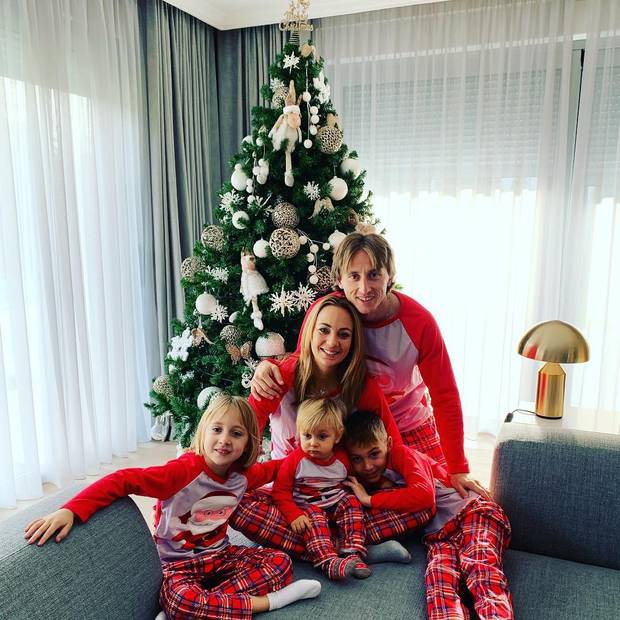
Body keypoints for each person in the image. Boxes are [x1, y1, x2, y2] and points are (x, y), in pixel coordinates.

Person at [23, 394, 321, 619]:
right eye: (217, 429)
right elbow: (122, 479)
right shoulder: (181, 472)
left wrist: (319, 453)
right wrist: (70, 510)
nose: (224, 440)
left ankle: (200, 608)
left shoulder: (243, 477)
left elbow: (280, 467)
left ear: (248, 443)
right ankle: (269, 603)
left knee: (280, 562)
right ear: (204, 431)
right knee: (179, 599)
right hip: (176, 565)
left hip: (221, 556)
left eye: (236, 433)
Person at [251, 231, 487, 499]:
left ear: (390, 277)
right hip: (352, 427)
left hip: (408, 425)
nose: (364, 288)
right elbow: (306, 359)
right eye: (354, 276)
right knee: (347, 496)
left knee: (448, 495)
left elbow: (445, 396)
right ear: (339, 279)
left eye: (374, 274)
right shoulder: (328, 311)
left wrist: (458, 467)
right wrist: (268, 365)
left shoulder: (420, 322)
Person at [229, 295, 434, 557]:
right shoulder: (279, 376)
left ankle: (318, 545)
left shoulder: (361, 385)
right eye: (324, 330)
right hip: (292, 493)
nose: (332, 342)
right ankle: (350, 545)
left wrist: (421, 481)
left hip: (342, 494)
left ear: (354, 342)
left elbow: (391, 445)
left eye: (344, 334)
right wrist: (218, 477)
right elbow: (244, 432)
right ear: (310, 332)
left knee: (424, 506)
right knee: (235, 502)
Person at [343, 411, 513, 620]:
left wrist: (369, 499)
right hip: (438, 536)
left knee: (481, 569)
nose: (367, 466)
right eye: (357, 459)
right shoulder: (363, 480)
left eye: (374, 454)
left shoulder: (403, 455)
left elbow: (424, 497)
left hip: (473, 512)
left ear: (388, 444)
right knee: (439, 584)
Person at [272, 398, 370, 581]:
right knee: (313, 518)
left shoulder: (343, 459)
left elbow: (355, 479)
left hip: (336, 503)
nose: (313, 443)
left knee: (351, 502)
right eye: (307, 436)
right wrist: (293, 514)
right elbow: (280, 492)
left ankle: (352, 553)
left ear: (337, 436)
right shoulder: (294, 461)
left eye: (322, 436)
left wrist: (362, 490)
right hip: (310, 508)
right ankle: (328, 561)